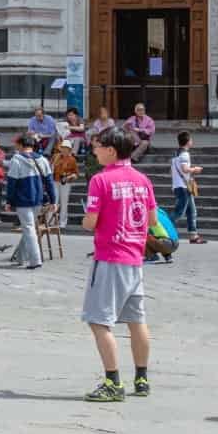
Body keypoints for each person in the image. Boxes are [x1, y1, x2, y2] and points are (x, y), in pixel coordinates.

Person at [80, 126, 157, 403]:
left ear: (111, 150)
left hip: (110, 257)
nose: (94, 150)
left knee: (99, 321)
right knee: (137, 320)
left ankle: (113, 382)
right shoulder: (142, 179)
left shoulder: (100, 180)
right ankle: (142, 377)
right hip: (134, 259)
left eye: (98, 146)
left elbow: (90, 222)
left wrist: (87, 220)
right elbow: (153, 221)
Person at [4, 134, 53, 270]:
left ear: (20, 145)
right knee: (29, 228)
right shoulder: (42, 159)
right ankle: (20, 257)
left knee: (29, 229)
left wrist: (9, 201)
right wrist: (53, 200)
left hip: (23, 200)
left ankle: (35, 260)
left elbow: (11, 183)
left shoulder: (16, 160)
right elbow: (49, 181)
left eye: (16, 144)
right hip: (38, 199)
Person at [169, 131, 204, 244]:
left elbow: (172, 170)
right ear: (188, 142)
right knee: (179, 212)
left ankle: (193, 236)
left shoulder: (176, 154)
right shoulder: (184, 154)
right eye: (191, 140)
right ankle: (163, 228)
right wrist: (195, 169)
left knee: (191, 211)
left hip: (180, 185)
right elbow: (184, 169)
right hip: (183, 187)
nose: (192, 141)